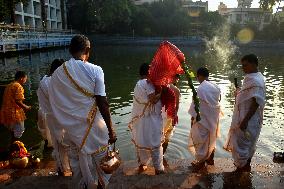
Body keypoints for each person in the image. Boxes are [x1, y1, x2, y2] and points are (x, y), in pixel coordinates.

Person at [48, 35, 117, 189]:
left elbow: (56, 102)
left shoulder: (57, 74)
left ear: (70, 50)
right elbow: (102, 102)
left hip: (71, 130)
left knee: (77, 164)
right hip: (94, 128)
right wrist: (111, 130)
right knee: (102, 163)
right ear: (87, 50)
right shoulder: (95, 70)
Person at [224, 54, 265, 172]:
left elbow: (256, 102)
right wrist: (239, 92)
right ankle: (244, 167)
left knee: (243, 145)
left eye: (245, 65)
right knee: (247, 145)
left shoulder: (256, 80)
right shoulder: (253, 77)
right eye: (242, 65)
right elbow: (248, 96)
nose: (243, 68)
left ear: (253, 64)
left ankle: (242, 169)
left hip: (248, 120)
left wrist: (245, 121)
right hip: (247, 118)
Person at [128, 63, 165, 175]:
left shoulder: (138, 83)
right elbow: (153, 100)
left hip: (141, 119)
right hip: (151, 120)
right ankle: (158, 169)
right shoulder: (147, 83)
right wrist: (162, 92)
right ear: (149, 73)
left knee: (141, 141)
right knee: (155, 143)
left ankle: (142, 164)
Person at [37, 58, 70, 175]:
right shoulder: (56, 82)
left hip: (51, 117)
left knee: (58, 145)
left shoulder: (43, 81)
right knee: (66, 144)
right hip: (61, 116)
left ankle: (62, 169)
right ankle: (67, 168)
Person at [188, 67, 221, 170]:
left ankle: (201, 162)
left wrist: (193, 118)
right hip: (213, 117)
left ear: (199, 76)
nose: (197, 79)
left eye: (197, 77)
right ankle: (210, 159)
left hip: (202, 118)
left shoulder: (201, 88)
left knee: (200, 139)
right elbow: (219, 101)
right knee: (211, 138)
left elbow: (196, 105)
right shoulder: (216, 86)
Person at [0, 71, 31, 142]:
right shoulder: (18, 86)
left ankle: (12, 146)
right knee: (20, 130)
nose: (26, 81)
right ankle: (15, 148)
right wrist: (26, 107)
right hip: (14, 112)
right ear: (21, 78)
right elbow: (18, 101)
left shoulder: (10, 85)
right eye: (25, 79)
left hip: (6, 112)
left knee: (13, 131)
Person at [162, 74, 180, 155]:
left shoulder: (161, 86)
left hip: (160, 115)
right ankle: (162, 155)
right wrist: (174, 118)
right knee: (166, 138)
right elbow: (176, 107)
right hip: (169, 117)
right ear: (175, 78)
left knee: (158, 137)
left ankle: (157, 156)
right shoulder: (175, 90)